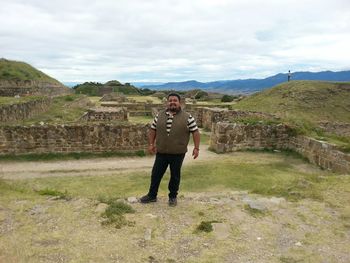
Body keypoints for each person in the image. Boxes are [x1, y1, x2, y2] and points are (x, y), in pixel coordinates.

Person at [140, 93, 200, 206]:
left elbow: (195, 132)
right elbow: (153, 130)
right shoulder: (159, 115)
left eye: (175, 100)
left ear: (179, 102)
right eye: (170, 100)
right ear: (167, 102)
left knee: (175, 175)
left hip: (178, 153)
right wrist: (151, 144)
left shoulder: (188, 117)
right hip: (161, 152)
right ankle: (152, 195)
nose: (172, 102)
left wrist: (196, 148)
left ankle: (173, 197)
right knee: (156, 174)